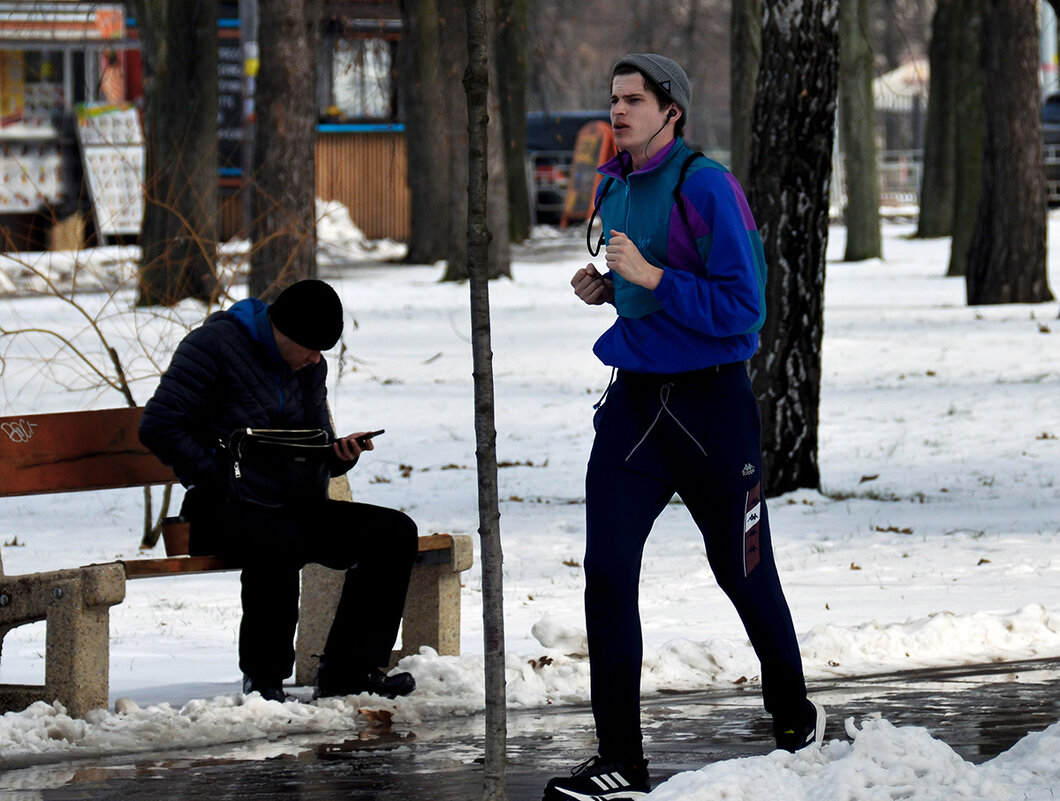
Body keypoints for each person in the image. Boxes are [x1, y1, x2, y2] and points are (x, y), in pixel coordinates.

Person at [543, 54, 825, 800]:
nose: (619, 112)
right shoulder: (613, 182)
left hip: (711, 413)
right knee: (606, 574)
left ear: (673, 110)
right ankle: (620, 758)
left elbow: (745, 311)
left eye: (634, 100)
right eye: (614, 100)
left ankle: (795, 715)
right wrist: (609, 290)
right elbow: (641, 290)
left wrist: (652, 279)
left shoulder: (708, 187)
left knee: (743, 571)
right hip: (634, 408)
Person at [139, 279, 418, 703]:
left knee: (393, 532)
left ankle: (349, 671)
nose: (314, 359)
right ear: (280, 331)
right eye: (308, 348)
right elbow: (158, 425)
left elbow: (314, 440)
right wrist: (219, 473)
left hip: (293, 502)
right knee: (278, 540)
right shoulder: (213, 346)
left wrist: (339, 455)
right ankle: (264, 680)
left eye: (322, 350)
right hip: (220, 506)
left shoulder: (309, 366)